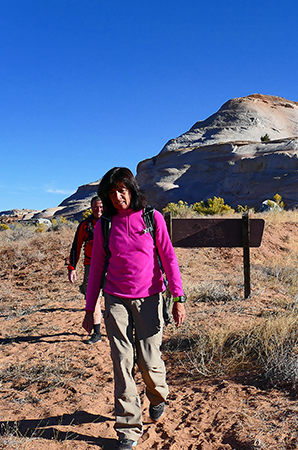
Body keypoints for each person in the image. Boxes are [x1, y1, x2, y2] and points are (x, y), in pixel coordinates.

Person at [82, 167, 186, 450]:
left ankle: (157, 395)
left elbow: (169, 258)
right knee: (122, 362)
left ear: (131, 190)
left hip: (151, 298)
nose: (117, 197)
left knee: (150, 361)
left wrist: (178, 298)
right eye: (112, 192)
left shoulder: (152, 219)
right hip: (115, 299)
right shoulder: (105, 225)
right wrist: (90, 308)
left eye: (122, 190)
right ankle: (128, 429)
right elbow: (97, 269)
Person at [68, 196, 104, 344]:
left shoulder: (111, 222)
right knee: (93, 299)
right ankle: (97, 334)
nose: (99, 210)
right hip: (91, 266)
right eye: (95, 207)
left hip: (110, 265)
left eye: (101, 207)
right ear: (91, 208)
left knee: (112, 300)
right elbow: (76, 246)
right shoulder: (85, 225)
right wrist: (72, 268)